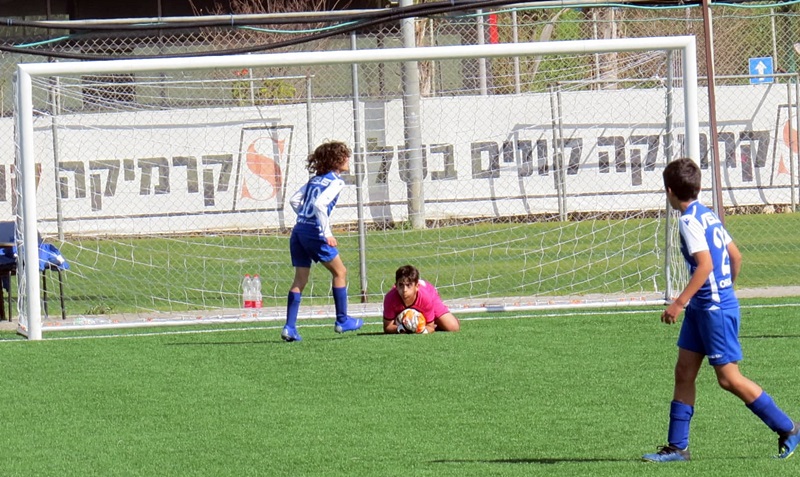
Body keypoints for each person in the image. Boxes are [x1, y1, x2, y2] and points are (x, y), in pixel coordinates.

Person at [642, 157, 799, 462]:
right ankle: (677, 447)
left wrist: (679, 302)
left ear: (669, 191)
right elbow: (735, 256)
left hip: (712, 308)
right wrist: (723, 288)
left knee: (728, 378)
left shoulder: (688, 221)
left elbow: (705, 266)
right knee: (684, 371)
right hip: (705, 306)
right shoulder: (707, 214)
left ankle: (789, 428)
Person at [280, 141, 363, 342]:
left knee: (300, 279)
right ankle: (342, 320)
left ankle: (289, 327)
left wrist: (304, 218)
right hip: (314, 233)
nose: (348, 159)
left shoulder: (314, 180)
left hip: (298, 230)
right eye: (344, 156)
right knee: (340, 272)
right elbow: (319, 204)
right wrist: (326, 233)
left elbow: (293, 200)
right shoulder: (336, 181)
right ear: (335, 160)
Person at [382, 264, 460, 334]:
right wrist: (402, 328)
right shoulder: (390, 298)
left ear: (417, 286)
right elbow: (387, 327)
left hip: (430, 296)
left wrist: (419, 328)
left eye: (409, 285)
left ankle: (437, 318)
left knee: (453, 327)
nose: (404, 290)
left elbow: (430, 327)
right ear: (396, 286)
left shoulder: (425, 297)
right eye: (401, 285)